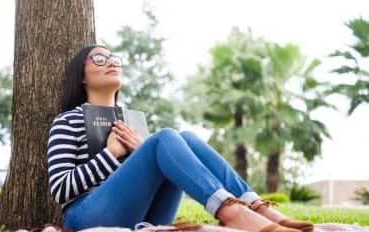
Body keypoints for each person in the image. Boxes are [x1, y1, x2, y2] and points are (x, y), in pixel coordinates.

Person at [46, 44, 314, 232]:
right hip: (86, 217)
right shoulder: (68, 120)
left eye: (114, 58)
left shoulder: (134, 123)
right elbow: (59, 191)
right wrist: (111, 154)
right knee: (165, 138)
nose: (112, 62)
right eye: (99, 59)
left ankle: (254, 205)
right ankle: (231, 212)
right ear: (81, 76)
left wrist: (142, 152)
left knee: (184, 137)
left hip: (145, 217)